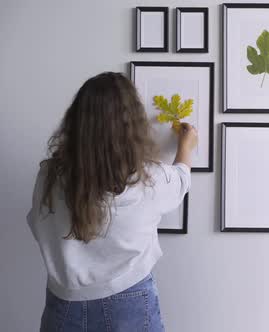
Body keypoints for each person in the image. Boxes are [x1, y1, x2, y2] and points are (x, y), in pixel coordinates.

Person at [26, 72, 198, 331]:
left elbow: (37, 227)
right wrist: (186, 146)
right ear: (134, 126)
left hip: (64, 305)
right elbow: (181, 180)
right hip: (131, 303)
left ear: (77, 121)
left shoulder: (50, 176)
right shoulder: (148, 179)